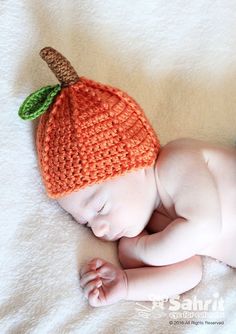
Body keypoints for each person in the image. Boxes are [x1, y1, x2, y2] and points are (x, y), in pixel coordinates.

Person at [18, 46, 236, 308]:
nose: (99, 229)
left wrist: (143, 250)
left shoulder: (176, 160)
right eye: (87, 224)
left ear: (133, 163)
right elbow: (189, 274)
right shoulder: (155, 229)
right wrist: (126, 284)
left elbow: (203, 226)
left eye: (99, 207)